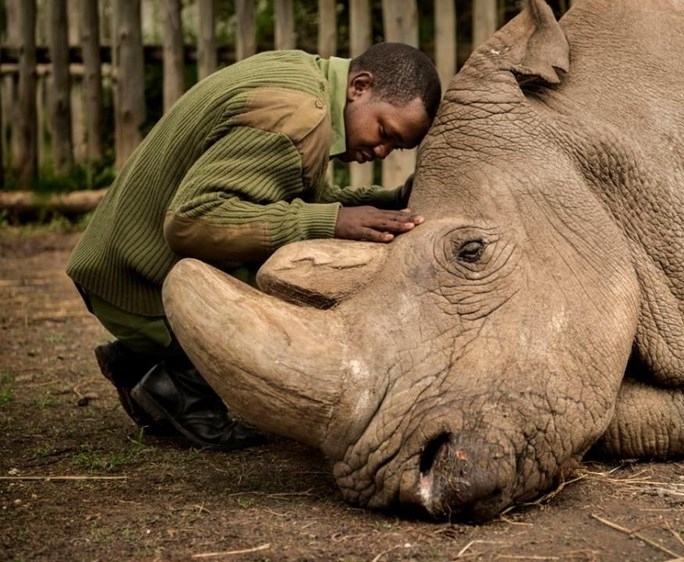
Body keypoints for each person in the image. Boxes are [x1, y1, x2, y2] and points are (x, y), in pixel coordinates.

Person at [66, 43, 442, 450]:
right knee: (299, 276)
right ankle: (173, 375)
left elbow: (292, 199)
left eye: (396, 147)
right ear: (360, 86)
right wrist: (331, 222)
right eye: (385, 132)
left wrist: (388, 203)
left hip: (118, 265)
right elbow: (192, 222)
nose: (382, 150)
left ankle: (142, 360)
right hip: (134, 285)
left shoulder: (304, 79)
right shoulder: (297, 116)